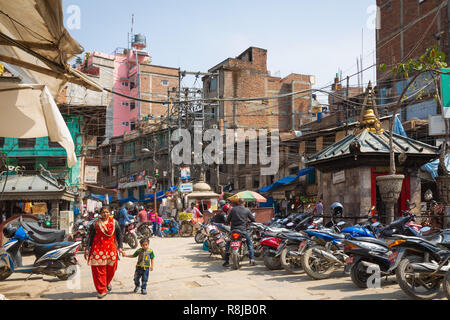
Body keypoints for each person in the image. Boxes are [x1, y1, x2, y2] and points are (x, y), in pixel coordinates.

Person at [84, 206, 124, 299]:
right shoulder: (95, 223)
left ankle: (106, 282)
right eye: (103, 212)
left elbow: (119, 235)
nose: (105, 214)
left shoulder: (114, 223)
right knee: (99, 270)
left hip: (111, 249)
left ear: (110, 213)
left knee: (112, 268)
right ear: (100, 213)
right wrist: (87, 248)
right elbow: (91, 237)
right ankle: (102, 290)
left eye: (107, 212)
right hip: (97, 249)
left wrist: (120, 247)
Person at [223, 198, 256, 267]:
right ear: (244, 203)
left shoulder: (233, 209)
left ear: (238, 203)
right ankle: (252, 259)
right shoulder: (247, 210)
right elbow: (253, 219)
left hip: (233, 230)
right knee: (249, 244)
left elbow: (228, 220)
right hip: (243, 230)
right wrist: (250, 222)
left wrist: (227, 222)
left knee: (228, 244)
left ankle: (226, 261)